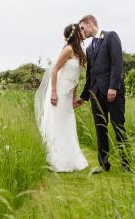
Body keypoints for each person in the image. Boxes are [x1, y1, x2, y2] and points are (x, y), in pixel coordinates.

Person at [75, 15, 129, 173]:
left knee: (118, 126)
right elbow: (90, 75)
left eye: (82, 28)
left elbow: (117, 62)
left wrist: (113, 86)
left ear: (91, 23)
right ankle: (103, 164)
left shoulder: (111, 36)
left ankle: (126, 164)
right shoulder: (89, 48)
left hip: (113, 93)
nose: (82, 32)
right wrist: (84, 97)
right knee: (100, 128)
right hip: (95, 94)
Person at [34, 24, 88, 172]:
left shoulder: (79, 52)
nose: (83, 32)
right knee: (57, 122)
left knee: (68, 123)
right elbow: (55, 70)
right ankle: (56, 159)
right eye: (81, 29)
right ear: (76, 33)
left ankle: (70, 158)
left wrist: (74, 96)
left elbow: (76, 77)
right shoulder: (68, 49)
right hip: (58, 91)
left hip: (68, 93)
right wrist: (53, 92)